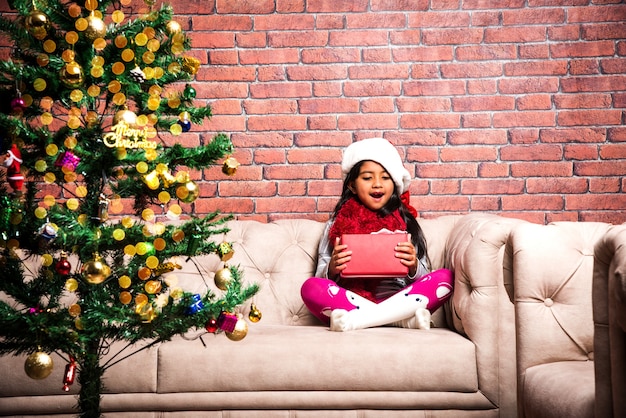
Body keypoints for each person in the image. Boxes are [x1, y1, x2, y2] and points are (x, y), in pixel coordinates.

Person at [300, 137, 453, 332]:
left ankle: (361, 320)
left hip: (400, 299)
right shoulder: (334, 225)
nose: (377, 184)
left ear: (395, 183)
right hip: (352, 299)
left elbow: (424, 277)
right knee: (310, 288)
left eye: (385, 177)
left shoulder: (406, 224)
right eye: (367, 177)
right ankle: (399, 321)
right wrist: (332, 268)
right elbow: (321, 278)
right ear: (352, 185)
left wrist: (413, 266)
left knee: (445, 278)